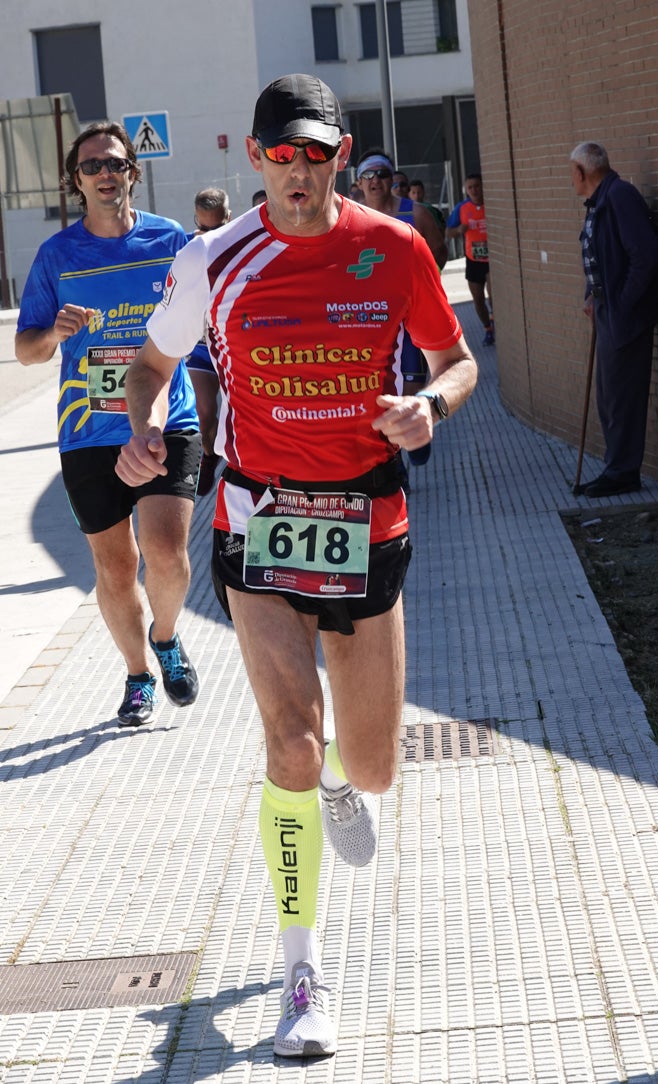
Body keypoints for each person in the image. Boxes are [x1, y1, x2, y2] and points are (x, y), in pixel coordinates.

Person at [116, 73, 477, 1058]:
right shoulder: (214, 260)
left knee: (369, 764)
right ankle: (301, 971)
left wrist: (430, 407)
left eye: (316, 153)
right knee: (287, 743)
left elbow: (459, 361)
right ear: (256, 156)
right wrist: (140, 426)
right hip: (259, 523)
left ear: (336, 152)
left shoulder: (393, 247)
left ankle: (336, 784)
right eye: (282, 154)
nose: (299, 172)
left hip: (368, 518)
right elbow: (150, 364)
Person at [15, 121, 201, 729]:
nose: (104, 174)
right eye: (92, 166)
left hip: (165, 423)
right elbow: (25, 351)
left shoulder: (169, 241)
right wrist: (53, 333)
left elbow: (202, 327)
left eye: (115, 164)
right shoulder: (57, 256)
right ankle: (138, 674)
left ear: (132, 173)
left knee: (167, 557)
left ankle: (166, 637)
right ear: (77, 180)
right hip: (88, 432)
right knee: (116, 569)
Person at [570, 141, 658, 497]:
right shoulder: (599, 202)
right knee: (609, 395)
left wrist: (621, 303)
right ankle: (616, 466)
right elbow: (600, 256)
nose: (571, 180)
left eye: (572, 174)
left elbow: (645, 254)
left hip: (626, 316)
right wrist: (592, 295)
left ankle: (623, 471)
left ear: (581, 172)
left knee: (622, 395)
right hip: (608, 311)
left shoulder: (620, 196)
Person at [356, 148, 448, 473]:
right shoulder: (349, 218)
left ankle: (412, 440)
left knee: (407, 394)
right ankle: (391, 465)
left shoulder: (416, 214)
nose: (376, 180)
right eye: (368, 174)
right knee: (374, 393)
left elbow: (439, 253)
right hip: (369, 323)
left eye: (381, 173)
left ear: (392, 179)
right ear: (358, 182)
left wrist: (416, 289)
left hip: (408, 320)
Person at [186, 187, 232, 496]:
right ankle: (208, 452)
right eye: (203, 228)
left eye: (217, 228)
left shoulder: (245, 242)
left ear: (228, 218)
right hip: (202, 348)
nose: (209, 235)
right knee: (204, 416)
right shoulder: (187, 247)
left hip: (234, 347)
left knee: (240, 416)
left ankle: (225, 453)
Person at [446, 173, 495, 346]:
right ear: (466, 190)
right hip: (473, 259)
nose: (474, 190)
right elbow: (448, 232)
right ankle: (488, 328)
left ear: (483, 186)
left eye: (477, 186)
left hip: (492, 259)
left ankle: (494, 319)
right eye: (470, 187)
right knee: (478, 299)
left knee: (493, 295)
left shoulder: (491, 204)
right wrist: (459, 230)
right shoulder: (462, 208)